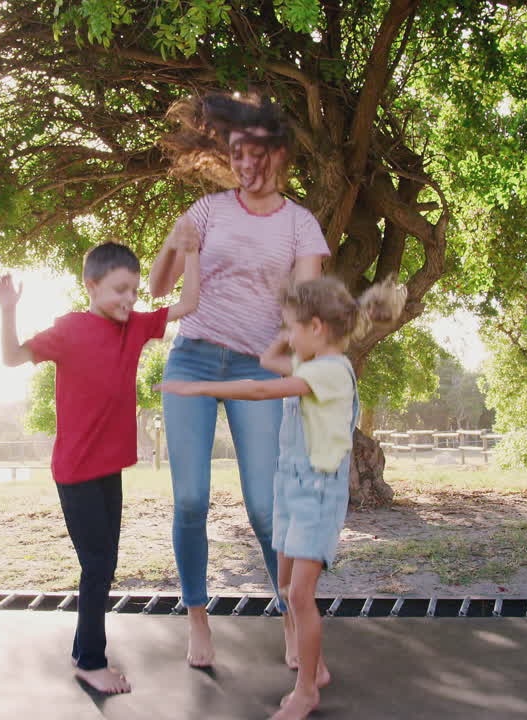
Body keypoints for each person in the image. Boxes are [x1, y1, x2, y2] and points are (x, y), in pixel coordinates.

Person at [148, 93, 328, 668]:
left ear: (277, 154)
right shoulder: (206, 211)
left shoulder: (302, 225)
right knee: (191, 500)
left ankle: (291, 616)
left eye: (257, 155)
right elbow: (156, 287)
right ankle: (198, 619)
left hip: (255, 365)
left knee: (265, 505)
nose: (247, 167)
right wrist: (176, 240)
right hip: (194, 358)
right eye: (236, 156)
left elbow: (303, 309)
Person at [157, 276, 373, 720]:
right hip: (290, 488)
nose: (287, 338)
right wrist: (289, 324)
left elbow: (259, 386)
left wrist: (195, 388)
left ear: (316, 327)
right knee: (286, 586)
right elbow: (266, 359)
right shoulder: (310, 364)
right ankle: (315, 669)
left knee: (298, 596)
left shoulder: (330, 372)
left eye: (293, 328)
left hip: (316, 495)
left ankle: (306, 691)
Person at [0, 237, 200, 694]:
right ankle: (89, 660)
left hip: (108, 469)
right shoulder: (68, 331)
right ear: (91, 285)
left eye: (133, 290)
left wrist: (193, 254)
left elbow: (190, 301)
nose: (129, 298)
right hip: (76, 470)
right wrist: (9, 309)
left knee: (104, 564)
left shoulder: (135, 327)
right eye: (119, 289)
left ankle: (84, 653)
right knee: (98, 564)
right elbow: (11, 358)